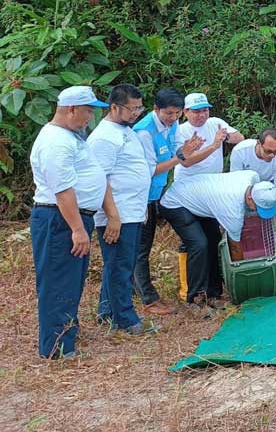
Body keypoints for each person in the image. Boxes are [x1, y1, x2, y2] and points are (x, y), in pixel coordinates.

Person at [29, 86, 117, 358]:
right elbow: (62, 190)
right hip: (61, 219)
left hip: (74, 218)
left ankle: (68, 333)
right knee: (58, 282)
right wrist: (77, 229)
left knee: (71, 280)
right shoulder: (56, 141)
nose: (91, 117)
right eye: (88, 111)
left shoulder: (72, 136)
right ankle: (56, 347)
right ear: (71, 109)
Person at [86, 84, 158, 335]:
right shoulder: (103, 137)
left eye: (139, 107)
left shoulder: (125, 131)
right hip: (117, 213)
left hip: (132, 210)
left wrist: (142, 207)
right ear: (114, 107)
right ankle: (125, 320)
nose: (137, 113)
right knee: (121, 266)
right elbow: (101, 179)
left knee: (117, 264)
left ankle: (107, 311)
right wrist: (113, 217)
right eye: (132, 108)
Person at [133, 87, 204, 315]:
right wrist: (180, 156)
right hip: (140, 195)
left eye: (177, 113)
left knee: (145, 244)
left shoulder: (172, 125)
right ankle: (148, 297)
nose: (173, 118)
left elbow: (178, 154)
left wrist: (187, 150)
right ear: (156, 109)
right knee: (140, 249)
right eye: (168, 114)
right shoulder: (144, 132)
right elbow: (151, 170)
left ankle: (135, 288)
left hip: (156, 193)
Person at [160, 171, 276, 306]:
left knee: (214, 243)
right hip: (175, 202)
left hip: (200, 199)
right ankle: (195, 299)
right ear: (250, 198)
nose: (257, 212)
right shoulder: (232, 210)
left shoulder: (253, 177)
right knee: (200, 245)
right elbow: (235, 248)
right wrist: (243, 276)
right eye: (258, 208)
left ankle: (214, 293)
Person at [173, 92, 244, 181]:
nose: (202, 115)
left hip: (215, 179)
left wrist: (225, 137)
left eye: (205, 110)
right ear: (185, 112)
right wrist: (214, 146)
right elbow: (186, 162)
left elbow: (240, 138)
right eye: (197, 111)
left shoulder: (215, 122)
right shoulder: (179, 131)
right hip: (188, 181)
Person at [229, 128, 276, 219]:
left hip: (269, 187)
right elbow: (235, 185)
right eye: (268, 151)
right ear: (259, 144)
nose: (272, 155)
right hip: (245, 186)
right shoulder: (240, 151)